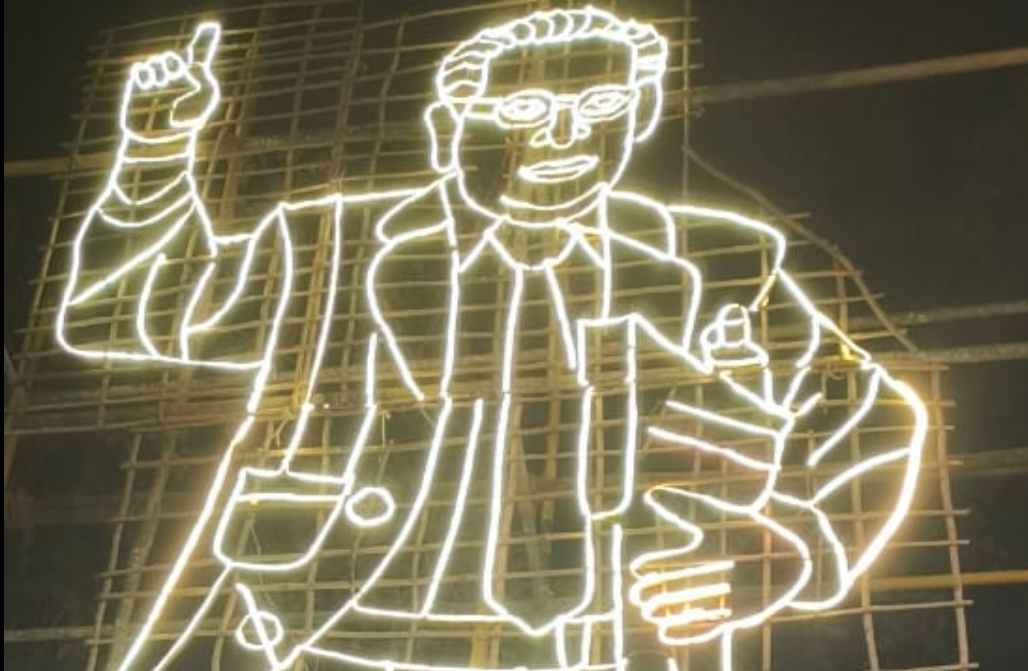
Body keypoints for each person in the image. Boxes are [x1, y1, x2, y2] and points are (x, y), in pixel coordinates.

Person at [56, 8, 927, 671]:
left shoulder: (717, 261)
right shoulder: (329, 244)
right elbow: (126, 315)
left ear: (638, 116)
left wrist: (787, 549)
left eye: (600, 105)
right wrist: (155, 156)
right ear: (450, 129)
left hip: (601, 643)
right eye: (522, 107)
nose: (562, 136)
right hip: (326, 631)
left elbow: (873, 414)